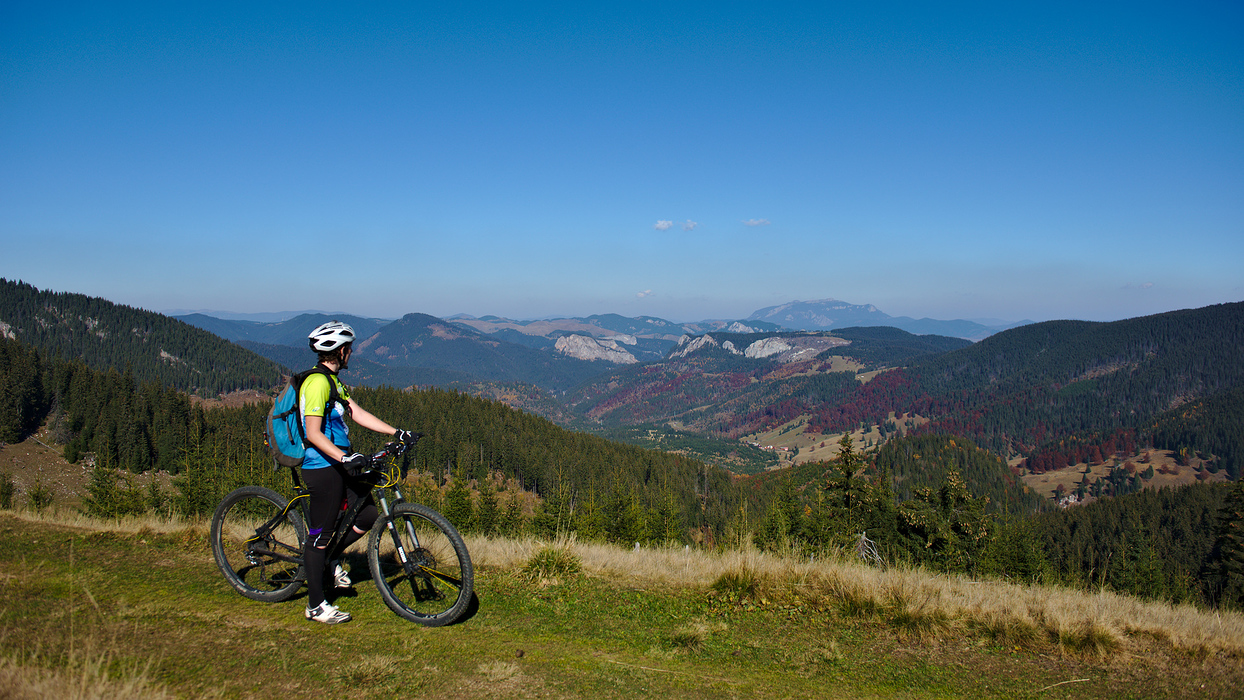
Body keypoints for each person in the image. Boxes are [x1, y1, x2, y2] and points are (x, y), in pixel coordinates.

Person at [300, 320, 417, 624]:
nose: (351, 352)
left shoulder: (334, 382)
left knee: (366, 515)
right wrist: (344, 456)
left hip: (339, 462)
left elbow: (356, 412)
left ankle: (330, 559)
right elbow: (312, 432)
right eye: (349, 347)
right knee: (319, 535)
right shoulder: (316, 383)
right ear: (340, 350)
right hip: (322, 466)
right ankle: (315, 606)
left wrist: (398, 432)